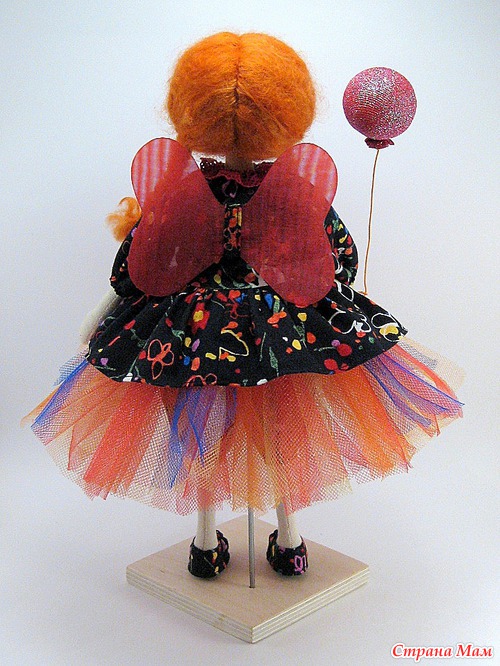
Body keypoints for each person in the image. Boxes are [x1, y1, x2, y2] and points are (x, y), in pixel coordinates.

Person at [26, 32, 462, 578]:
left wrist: (103, 313)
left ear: (188, 109)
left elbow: (141, 262)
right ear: (290, 111)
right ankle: (290, 541)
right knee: (281, 436)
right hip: (282, 330)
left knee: (201, 432)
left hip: (192, 331)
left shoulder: (182, 188)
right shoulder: (296, 188)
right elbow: (337, 255)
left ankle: (205, 544)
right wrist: (346, 290)